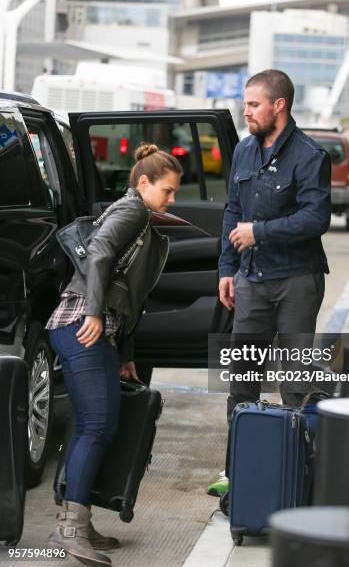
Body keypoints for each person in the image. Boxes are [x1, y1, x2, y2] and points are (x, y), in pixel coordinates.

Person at [46, 143, 182, 566]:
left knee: (96, 424)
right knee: (97, 425)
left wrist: (124, 350)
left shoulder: (138, 217)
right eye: (168, 191)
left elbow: (129, 296)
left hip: (91, 329)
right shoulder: (133, 211)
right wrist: (93, 313)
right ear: (144, 184)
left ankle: (77, 522)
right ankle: (70, 528)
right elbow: (100, 251)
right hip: (80, 323)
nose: (171, 200)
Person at [209, 69, 331, 495]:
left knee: (295, 383)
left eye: (254, 104)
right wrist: (226, 269)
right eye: (246, 104)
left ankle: (297, 473)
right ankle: (236, 470)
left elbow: (317, 218)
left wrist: (259, 232)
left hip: (297, 281)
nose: (247, 112)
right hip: (251, 282)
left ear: (279, 105)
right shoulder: (244, 151)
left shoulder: (310, 155)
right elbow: (231, 211)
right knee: (242, 376)